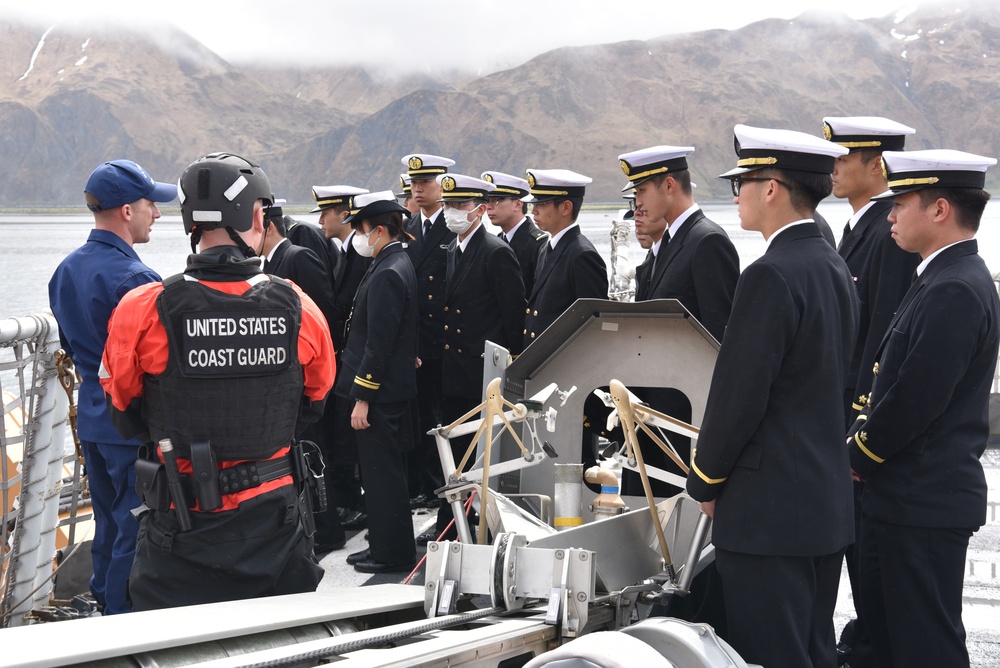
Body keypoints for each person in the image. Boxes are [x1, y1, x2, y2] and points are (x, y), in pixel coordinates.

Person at [100, 152, 336, 610]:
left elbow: (125, 413)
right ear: (255, 215)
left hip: (179, 531)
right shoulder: (299, 308)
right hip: (274, 530)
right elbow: (314, 401)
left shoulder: (141, 308)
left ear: (190, 221)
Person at [686, 125, 858, 668]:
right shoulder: (833, 266)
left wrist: (706, 478)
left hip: (768, 512)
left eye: (744, 180)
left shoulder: (770, 275)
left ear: (772, 189)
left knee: (770, 653)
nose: (735, 192)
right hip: (822, 504)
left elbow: (739, 395)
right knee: (812, 649)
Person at [847, 149, 999, 668]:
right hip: (905, 497)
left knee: (924, 646)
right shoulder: (938, 275)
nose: (889, 215)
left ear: (938, 209)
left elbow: (915, 399)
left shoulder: (955, 286)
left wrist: (858, 454)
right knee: (887, 641)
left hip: (922, 501)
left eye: (901, 203)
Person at [47, 159, 177, 615]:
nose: (157, 214)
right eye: (150, 205)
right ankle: (124, 619)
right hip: (130, 422)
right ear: (126, 210)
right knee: (136, 523)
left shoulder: (65, 270)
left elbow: (69, 343)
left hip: (93, 416)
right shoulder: (138, 280)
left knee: (106, 521)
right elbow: (158, 363)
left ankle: (104, 602)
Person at [822, 115, 919, 666]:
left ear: (875, 164)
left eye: (842, 158)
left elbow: (883, 338)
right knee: (858, 556)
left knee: (873, 564)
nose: (832, 168)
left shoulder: (889, 232)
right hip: (842, 418)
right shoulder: (858, 229)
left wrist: (860, 426)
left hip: (861, 425)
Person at [418, 174, 526, 545]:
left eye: (460, 206)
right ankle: (451, 523)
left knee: (480, 458)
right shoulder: (453, 249)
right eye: (448, 205)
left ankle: (476, 526)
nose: (452, 213)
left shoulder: (495, 252)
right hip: (455, 373)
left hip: (483, 374)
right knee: (455, 454)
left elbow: (513, 319)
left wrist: (512, 375)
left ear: (480, 210)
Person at [337, 191, 420, 573]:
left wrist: (363, 396)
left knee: (382, 473)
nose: (357, 237)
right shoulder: (394, 260)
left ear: (380, 230)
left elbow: (380, 341)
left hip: (380, 393)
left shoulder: (388, 270)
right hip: (390, 387)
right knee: (384, 471)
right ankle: (386, 543)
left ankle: (390, 552)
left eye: (362, 229)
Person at [259, 198, 344, 555]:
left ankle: (327, 529)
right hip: (286, 378)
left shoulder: (296, 257)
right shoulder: (269, 263)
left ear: (266, 225)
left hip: (305, 373)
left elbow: (323, 316)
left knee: (313, 454)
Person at [618, 145, 739, 342]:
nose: (637, 202)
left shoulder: (707, 241)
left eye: (641, 190)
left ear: (668, 186)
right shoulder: (668, 242)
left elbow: (720, 333)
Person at [312, 184, 370, 529]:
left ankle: (356, 504)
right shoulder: (343, 253)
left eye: (327, 212)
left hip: (355, 361)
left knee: (351, 439)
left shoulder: (362, 257)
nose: (321, 220)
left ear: (345, 214)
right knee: (341, 437)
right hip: (342, 359)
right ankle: (351, 501)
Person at [401, 153, 456, 509]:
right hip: (414, 340)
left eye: (425, 183)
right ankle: (424, 483)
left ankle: (440, 486)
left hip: (443, 341)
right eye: (414, 184)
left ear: (442, 185)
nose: (418, 190)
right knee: (418, 416)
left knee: (441, 418)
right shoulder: (410, 227)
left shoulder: (452, 227)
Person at [522, 168, 608, 347]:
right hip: (540, 358)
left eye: (541, 204)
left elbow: (593, 325)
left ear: (566, 207)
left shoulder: (582, 255)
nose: (534, 212)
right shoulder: (546, 247)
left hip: (563, 361)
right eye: (533, 205)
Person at [481, 170, 547, 298]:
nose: (489, 206)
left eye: (497, 200)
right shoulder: (496, 242)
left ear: (518, 204)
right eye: (487, 200)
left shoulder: (539, 245)